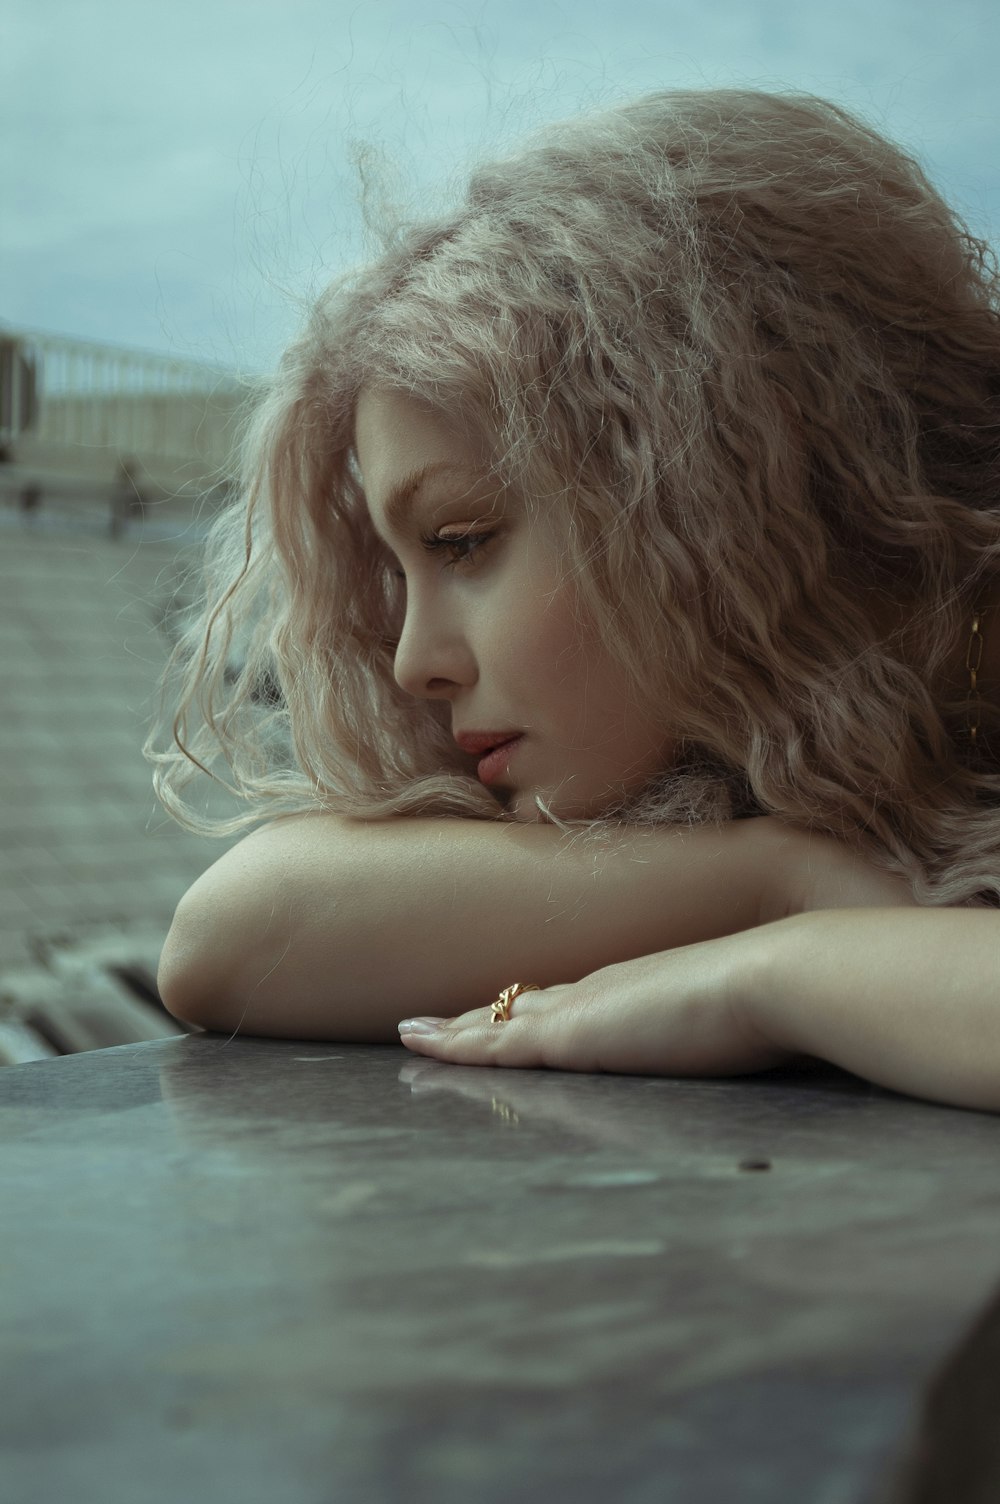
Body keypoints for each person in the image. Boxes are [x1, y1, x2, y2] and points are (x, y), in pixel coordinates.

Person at [148, 88, 1000, 1112]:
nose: (414, 661)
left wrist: (775, 971)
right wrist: (782, 879)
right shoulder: (738, 797)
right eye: (401, 568)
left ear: (706, 495)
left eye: (463, 541)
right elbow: (231, 935)